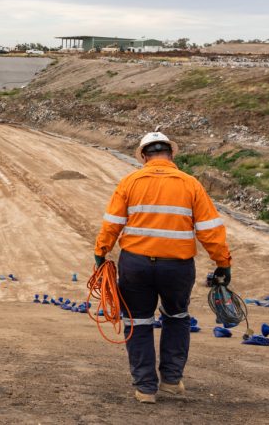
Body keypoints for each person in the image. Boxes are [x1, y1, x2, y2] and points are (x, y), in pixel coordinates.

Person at [94, 132, 232, 404]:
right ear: (171, 154)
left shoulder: (130, 182)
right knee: (177, 317)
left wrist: (100, 253)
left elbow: (112, 223)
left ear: (144, 156)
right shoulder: (190, 184)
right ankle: (171, 379)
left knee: (138, 321)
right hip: (177, 267)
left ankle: (145, 388)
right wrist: (223, 263)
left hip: (136, 265)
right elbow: (209, 231)